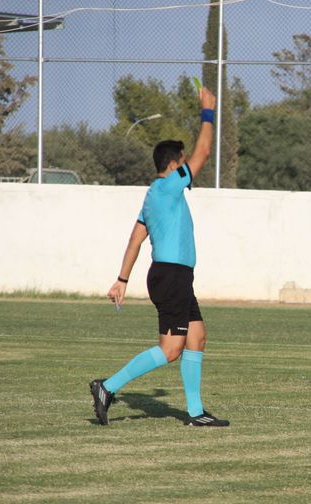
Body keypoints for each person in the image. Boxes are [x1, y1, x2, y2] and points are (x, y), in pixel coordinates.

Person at [90, 86, 228, 427]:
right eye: (183, 162)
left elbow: (135, 240)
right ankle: (107, 387)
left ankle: (196, 413)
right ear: (173, 164)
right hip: (171, 275)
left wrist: (121, 280)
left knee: (198, 337)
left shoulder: (153, 197)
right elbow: (205, 151)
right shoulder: (167, 186)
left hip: (174, 275)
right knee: (171, 349)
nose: (188, 167)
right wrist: (207, 112)